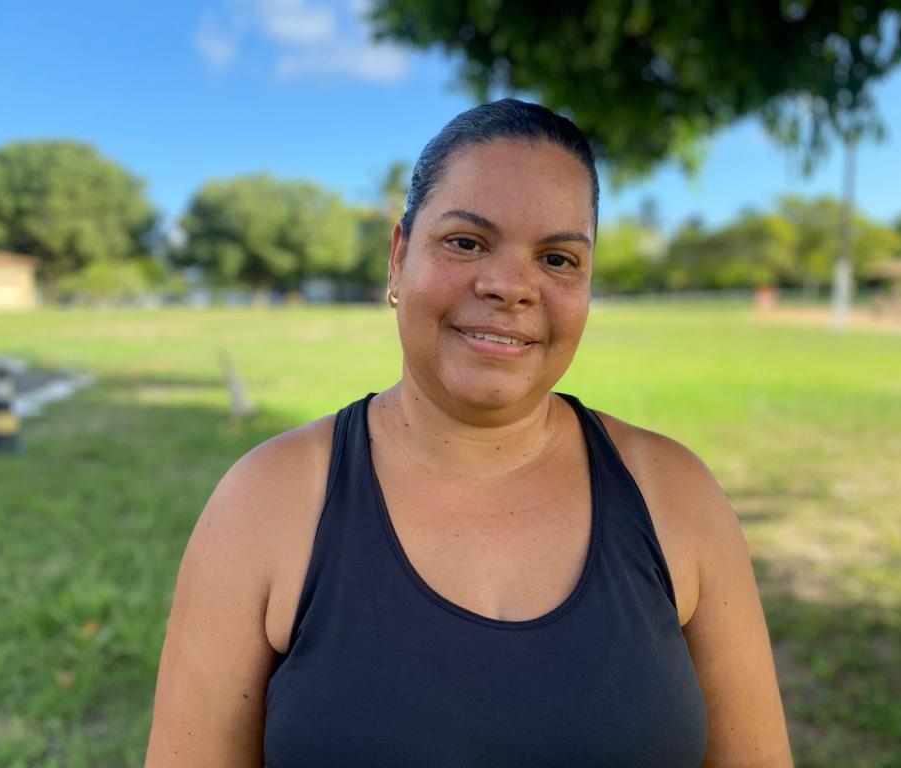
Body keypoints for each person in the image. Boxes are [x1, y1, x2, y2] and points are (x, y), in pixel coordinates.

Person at [145, 99, 793, 767]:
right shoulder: (264, 502)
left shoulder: (675, 494)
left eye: (558, 258)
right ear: (398, 258)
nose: (511, 286)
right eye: (466, 242)